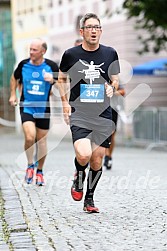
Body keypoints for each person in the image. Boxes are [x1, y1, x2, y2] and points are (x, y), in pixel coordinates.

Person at [57, 13, 120, 213]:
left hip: (102, 114)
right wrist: (65, 104)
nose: (93, 30)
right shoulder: (71, 54)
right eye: (89, 27)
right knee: (84, 155)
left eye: (97, 27)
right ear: (82, 31)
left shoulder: (110, 53)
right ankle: (78, 175)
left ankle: (89, 199)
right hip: (80, 113)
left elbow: (115, 78)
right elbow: (61, 79)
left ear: (100, 31)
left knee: (97, 159)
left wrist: (112, 86)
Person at [9, 38, 59, 186]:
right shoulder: (24, 65)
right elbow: (14, 78)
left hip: (43, 107)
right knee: (30, 137)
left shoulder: (51, 66)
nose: (31, 52)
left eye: (34, 50)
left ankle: (40, 171)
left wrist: (53, 80)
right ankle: (30, 165)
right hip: (27, 106)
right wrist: (13, 94)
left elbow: (62, 83)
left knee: (42, 141)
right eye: (30, 49)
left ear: (43, 51)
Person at [103, 85, 125, 170]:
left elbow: (123, 91)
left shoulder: (115, 78)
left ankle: (108, 157)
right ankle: (95, 157)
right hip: (100, 108)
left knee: (111, 135)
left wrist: (113, 92)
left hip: (113, 109)